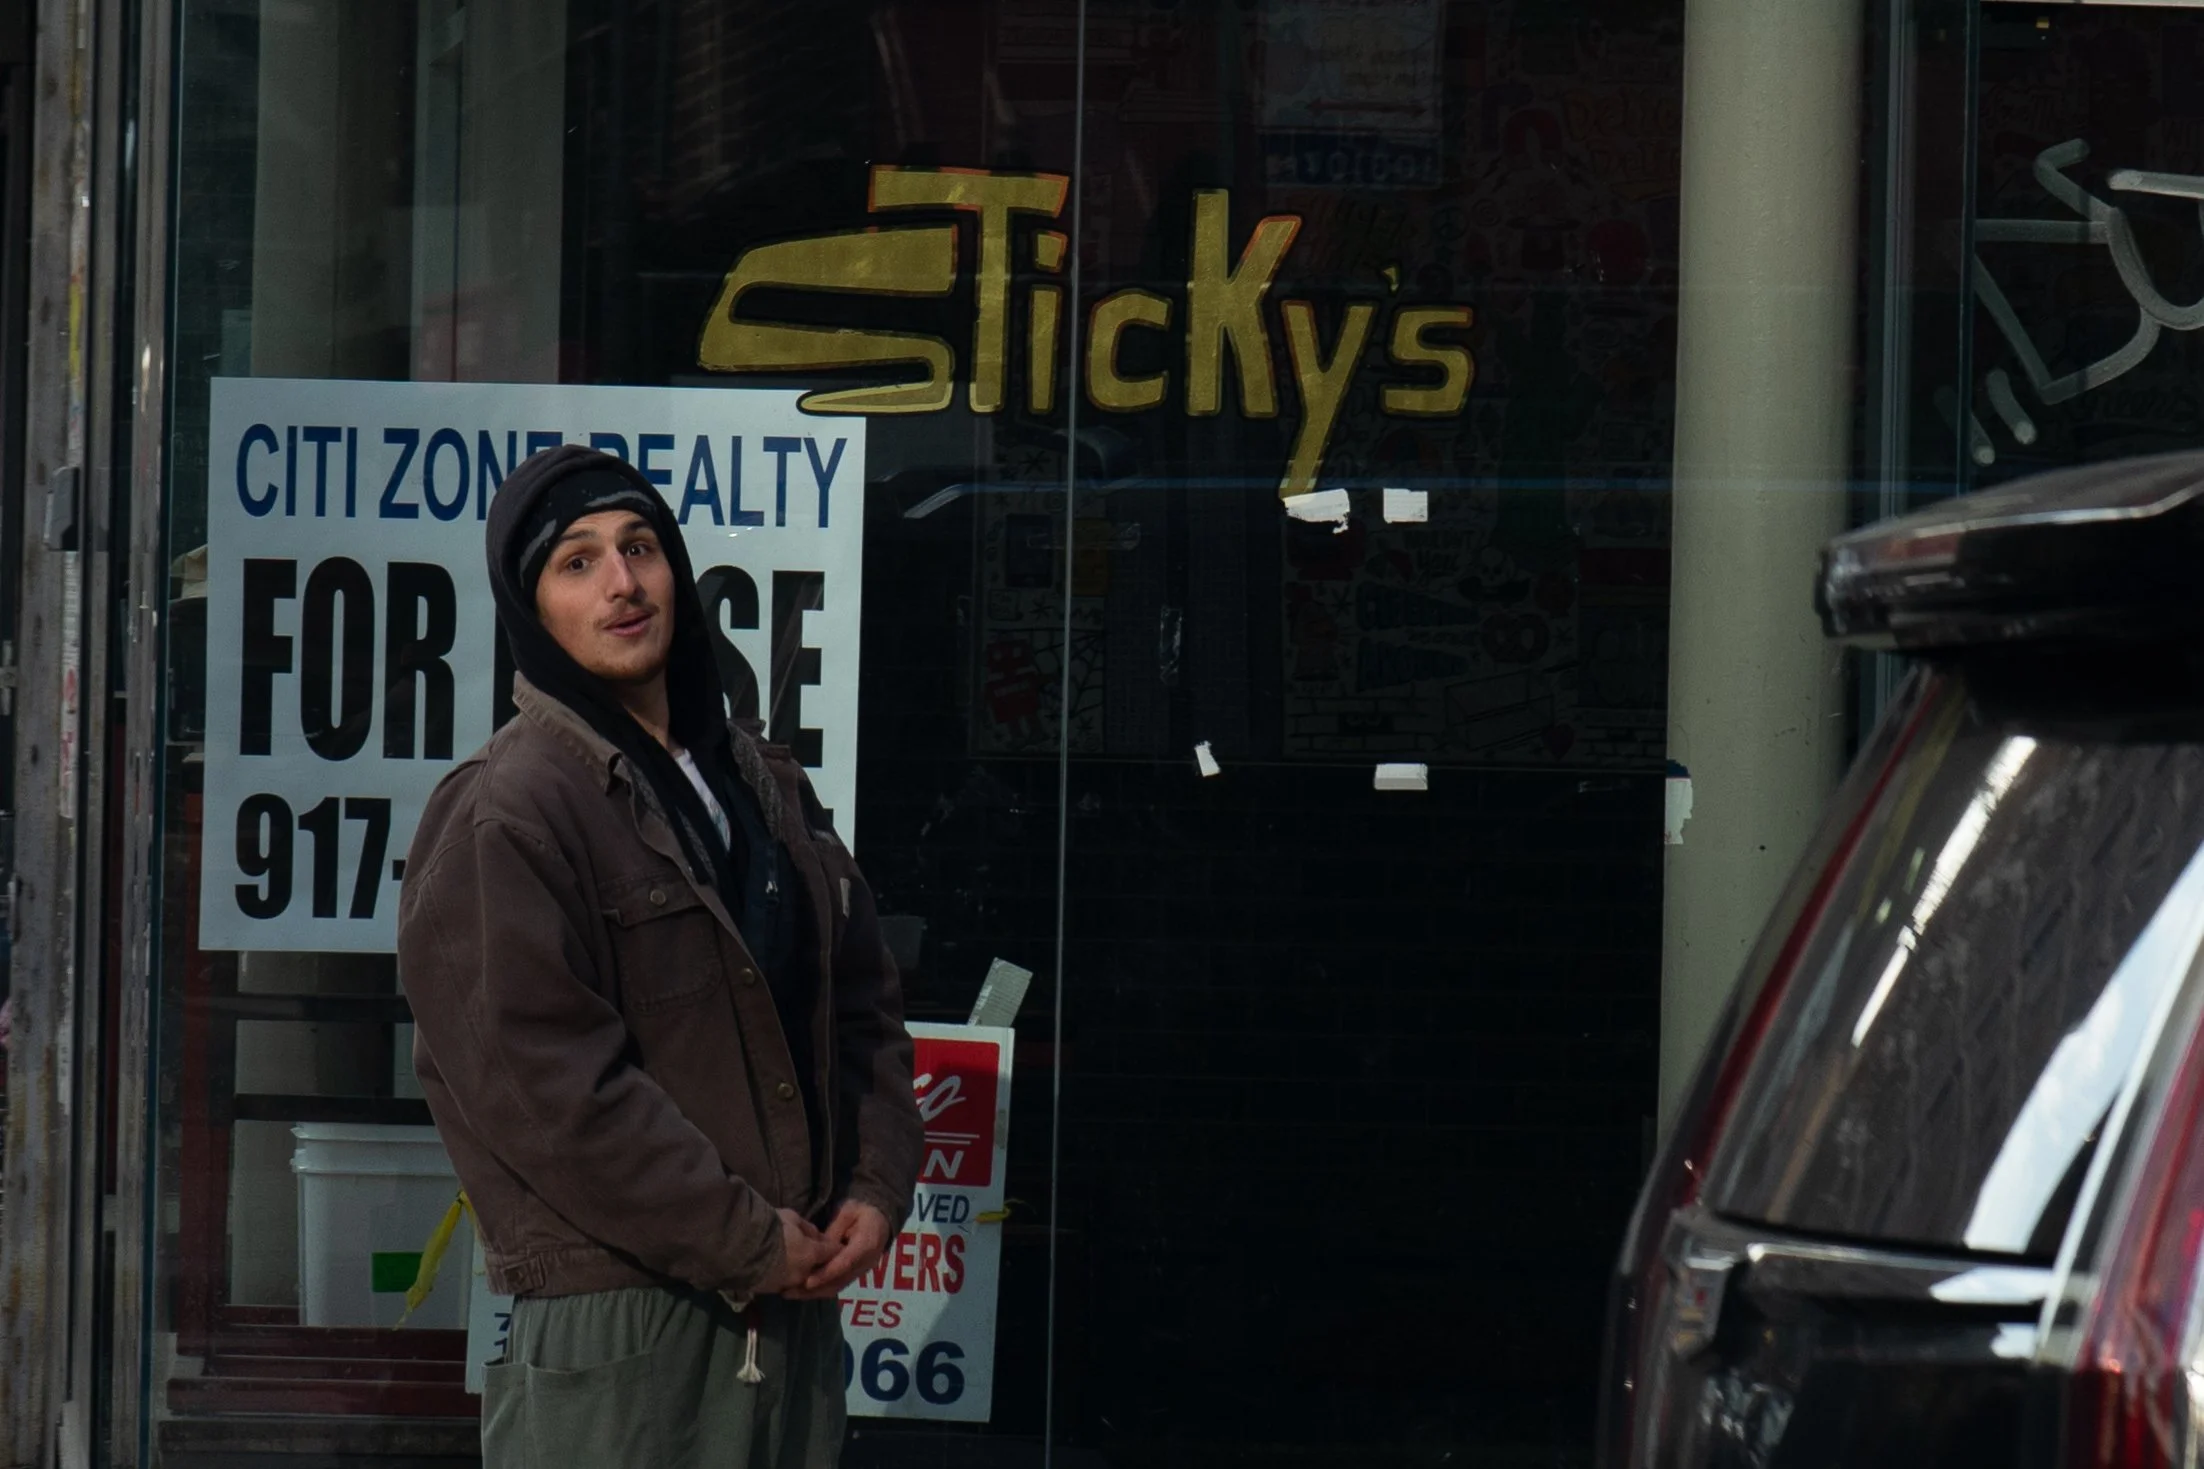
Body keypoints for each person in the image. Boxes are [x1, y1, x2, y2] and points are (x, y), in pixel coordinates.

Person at [397, 445, 921, 1468]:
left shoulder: (756, 781)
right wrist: (743, 1235)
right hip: (625, 1326)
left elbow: (858, 998)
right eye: (577, 561)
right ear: (531, 605)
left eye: (639, 547)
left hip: (794, 1312)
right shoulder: (506, 812)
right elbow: (552, 1094)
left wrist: (873, 1181)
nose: (623, 583)